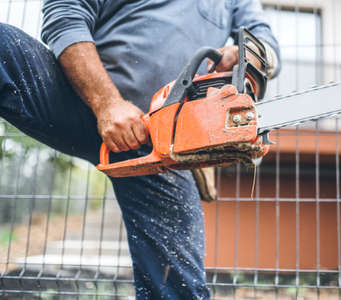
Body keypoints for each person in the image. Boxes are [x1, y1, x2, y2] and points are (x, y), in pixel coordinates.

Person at [0, 0, 280, 298]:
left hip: (164, 143)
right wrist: (106, 102)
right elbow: (65, 12)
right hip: (78, 96)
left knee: (177, 284)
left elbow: (266, 44)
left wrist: (248, 54)